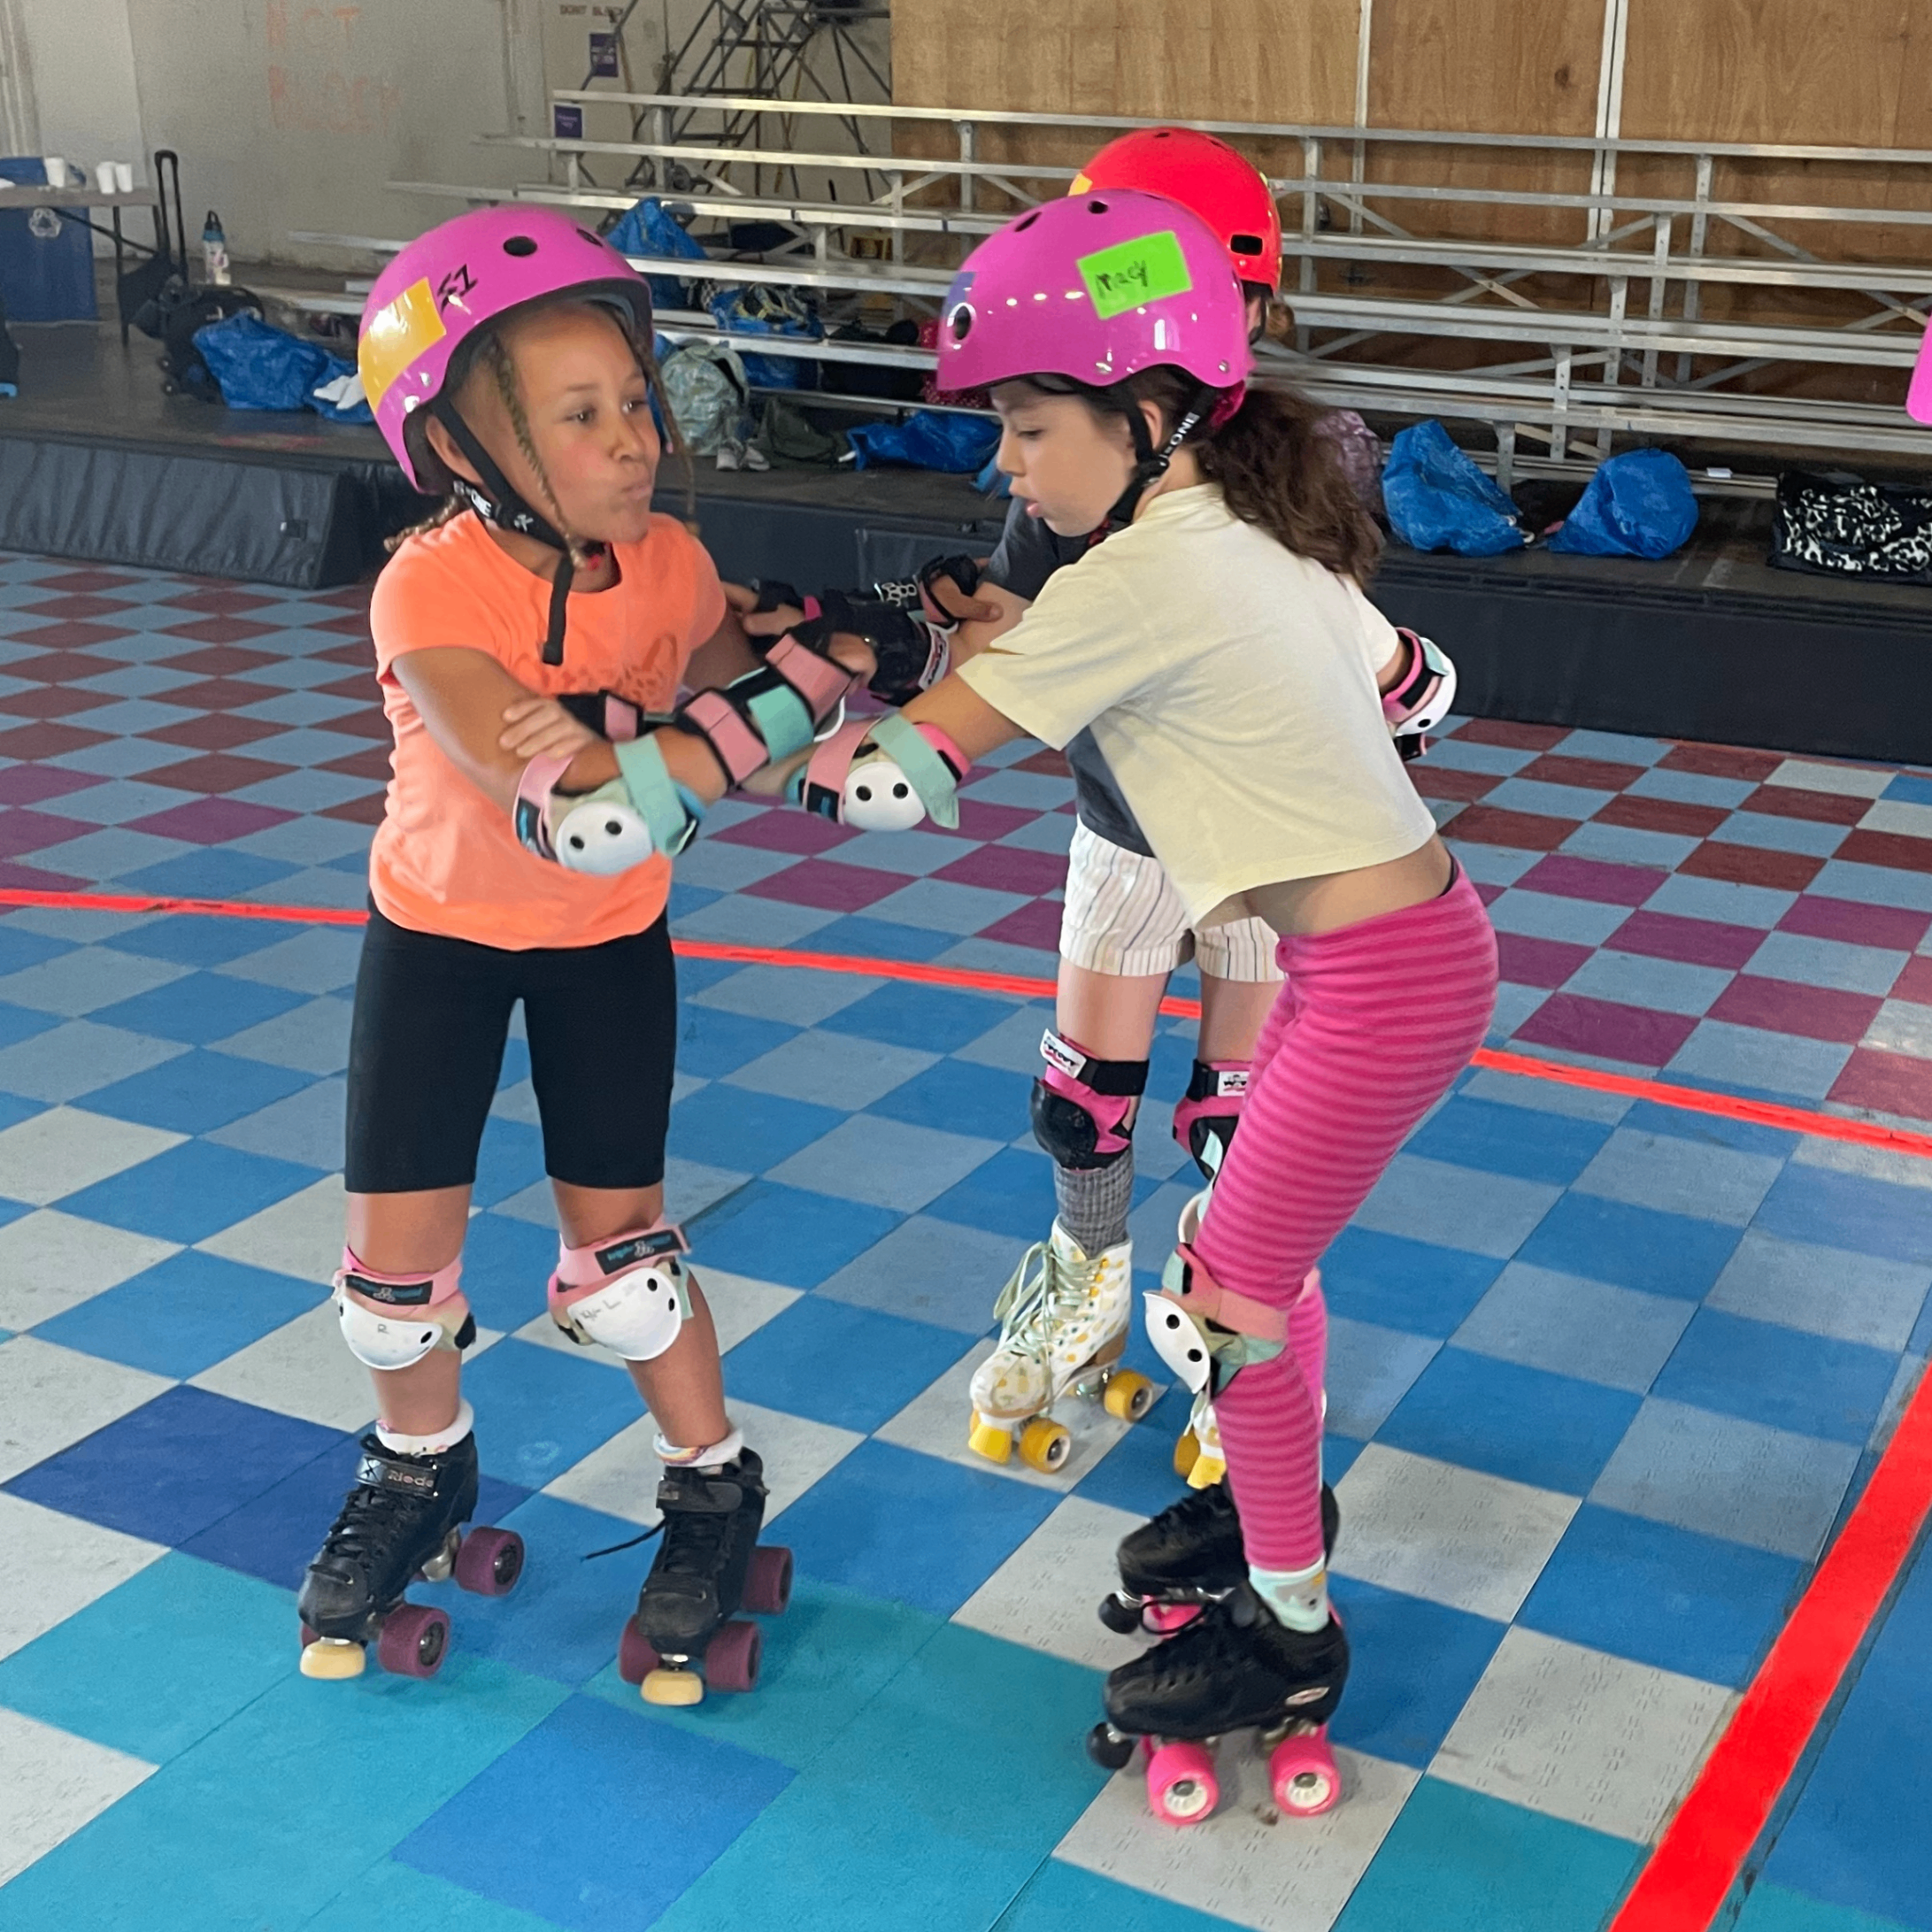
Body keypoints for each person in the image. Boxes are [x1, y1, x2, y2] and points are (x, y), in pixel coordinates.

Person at [742, 189, 1497, 1805]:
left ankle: (1289, 1625)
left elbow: (896, 781)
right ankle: (1266, 1512)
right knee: (1246, 1259)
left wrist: (757, 717)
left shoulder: (1134, 581)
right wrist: (966, 639)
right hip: (1390, 952)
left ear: (1143, 417)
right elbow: (1381, 681)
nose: (1004, 463)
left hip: (1378, 981)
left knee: (1225, 1288)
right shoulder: (1230, 530)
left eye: (1025, 424)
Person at [296, 205, 851, 1702]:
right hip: (438, 943)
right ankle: (418, 1462)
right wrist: (720, 722)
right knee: (391, 1286)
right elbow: (554, 801)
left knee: (622, 1270)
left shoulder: (670, 566)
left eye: (633, 404)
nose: (632, 442)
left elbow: (806, 717)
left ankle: (713, 1482)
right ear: (468, 453)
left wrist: (804, 670)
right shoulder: (429, 586)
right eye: (582, 417)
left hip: (609, 951)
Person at [948, 128, 1304, 1481]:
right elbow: (1013, 630)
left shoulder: (1299, 467)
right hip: (1120, 822)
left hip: (1266, 844)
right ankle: (1087, 1271)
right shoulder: (1071, 459)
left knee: (1240, 1104)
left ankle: (1226, 1311)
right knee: (1083, 1094)